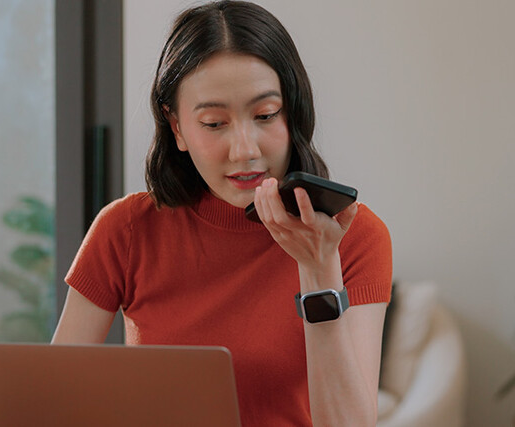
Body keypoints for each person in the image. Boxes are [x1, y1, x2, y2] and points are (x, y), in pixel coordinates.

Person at [52, 1, 392, 426]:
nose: (245, 150)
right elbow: (54, 401)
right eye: (214, 123)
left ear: (294, 112)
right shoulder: (127, 229)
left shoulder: (355, 236)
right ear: (176, 127)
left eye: (265, 115)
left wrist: (319, 268)